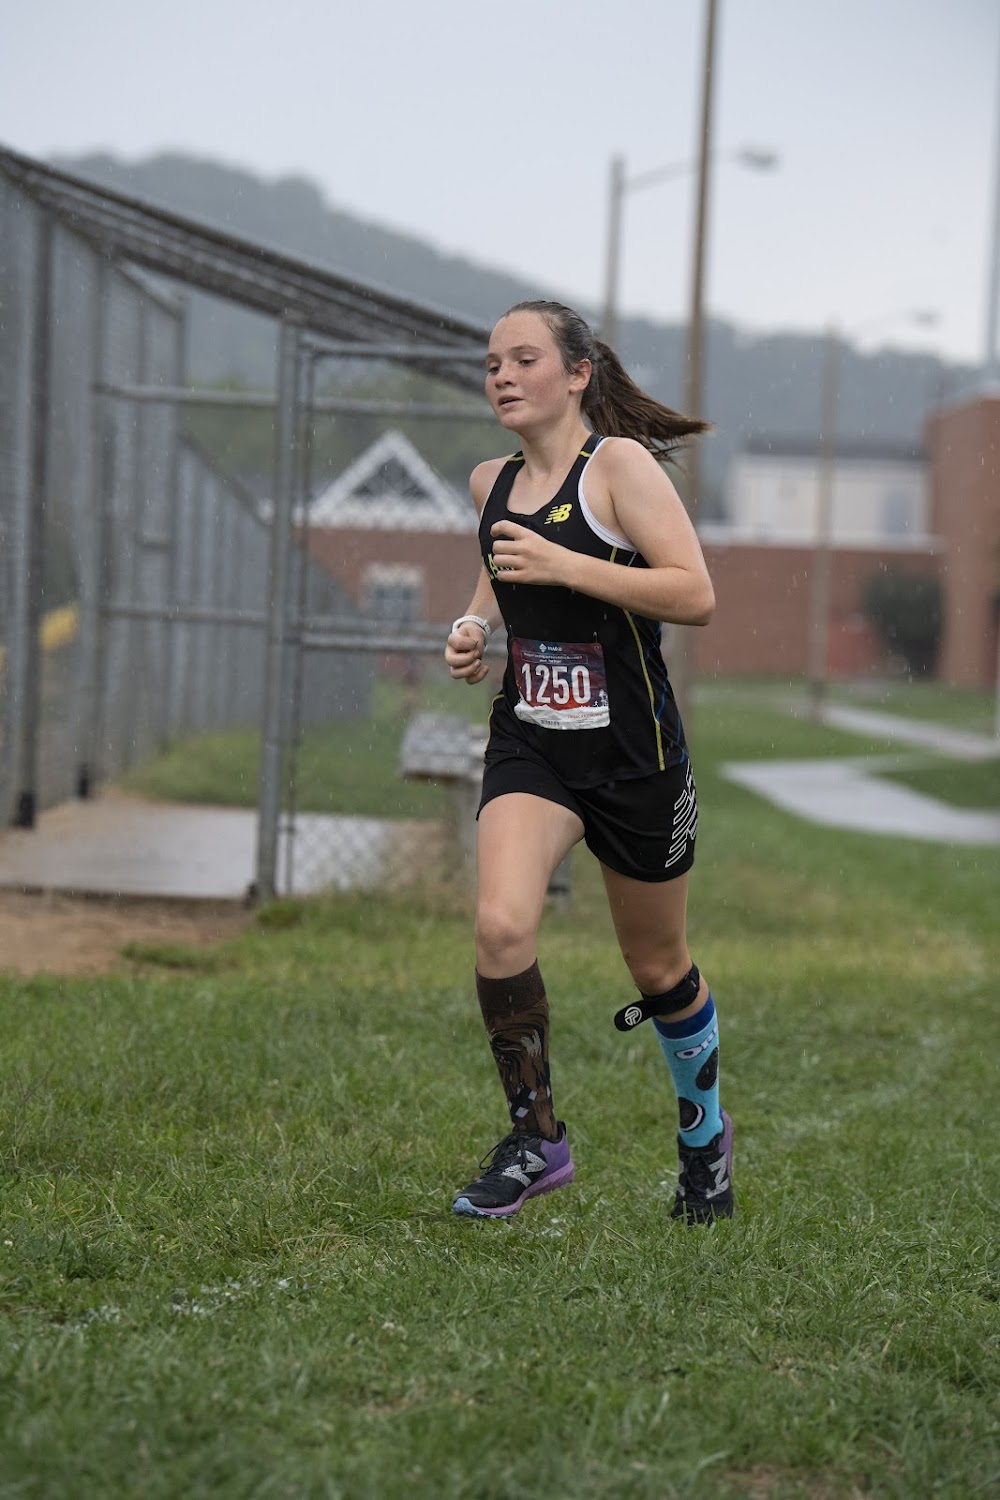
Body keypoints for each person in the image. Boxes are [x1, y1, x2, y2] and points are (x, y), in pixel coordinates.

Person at [443, 300, 732, 1226]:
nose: (502, 375)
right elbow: (501, 570)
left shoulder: (619, 469)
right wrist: (473, 626)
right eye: (492, 363)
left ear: (577, 375)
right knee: (500, 927)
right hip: (533, 742)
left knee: (657, 965)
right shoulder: (490, 480)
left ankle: (705, 1145)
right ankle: (536, 1140)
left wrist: (570, 567)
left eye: (523, 359)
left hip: (634, 758)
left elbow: (693, 593)